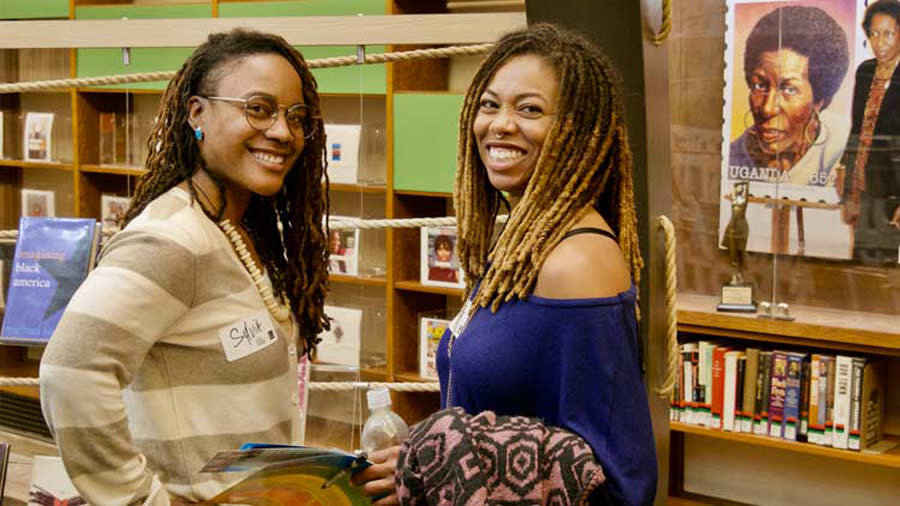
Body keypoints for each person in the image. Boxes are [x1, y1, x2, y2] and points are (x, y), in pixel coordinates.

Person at [355, 23, 657, 506]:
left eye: (530, 109)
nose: (500, 124)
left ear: (577, 132)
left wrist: (434, 461)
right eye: (490, 104)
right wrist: (421, 459)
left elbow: (610, 479)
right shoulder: (524, 244)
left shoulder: (577, 265)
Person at [39, 29, 330, 505]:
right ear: (198, 113)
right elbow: (70, 372)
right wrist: (139, 500)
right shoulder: (172, 240)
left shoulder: (241, 230)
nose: (282, 131)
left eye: (295, 116)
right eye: (258, 108)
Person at [729, 6, 849, 187]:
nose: (767, 108)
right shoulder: (732, 158)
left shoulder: (845, 150)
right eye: (760, 85)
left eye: (789, 89)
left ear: (820, 100)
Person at [839, 0, 900, 264]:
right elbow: (857, 128)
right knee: (860, 261)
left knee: (881, 266)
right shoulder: (865, 72)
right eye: (874, 34)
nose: (880, 42)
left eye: (888, 33)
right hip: (860, 183)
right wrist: (845, 172)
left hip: (892, 189)